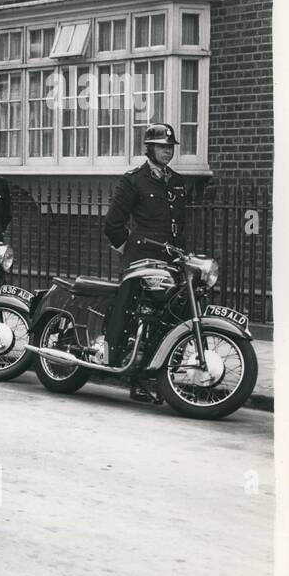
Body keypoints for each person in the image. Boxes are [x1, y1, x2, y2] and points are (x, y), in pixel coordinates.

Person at [102, 123, 188, 398]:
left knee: (177, 312)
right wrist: (132, 250)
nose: (167, 151)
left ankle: (164, 372)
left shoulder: (176, 181)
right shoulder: (134, 180)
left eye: (170, 147)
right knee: (135, 314)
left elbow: (180, 224)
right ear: (149, 148)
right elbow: (113, 225)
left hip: (171, 259)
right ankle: (121, 365)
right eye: (162, 146)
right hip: (142, 259)